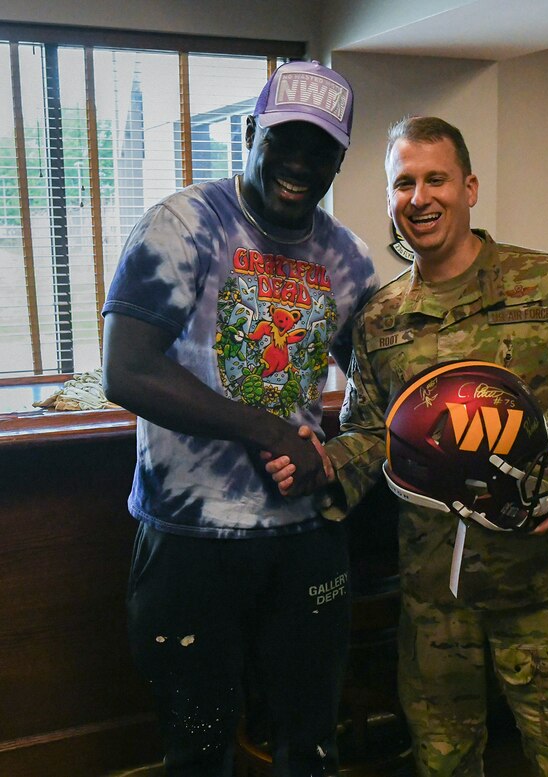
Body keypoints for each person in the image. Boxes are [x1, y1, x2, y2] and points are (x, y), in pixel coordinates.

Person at [268, 115, 548, 776]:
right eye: (403, 183)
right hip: (435, 593)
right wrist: (321, 465)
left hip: (546, 583)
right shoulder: (381, 319)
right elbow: (370, 433)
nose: (419, 198)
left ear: (470, 187)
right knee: (443, 761)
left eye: (435, 179)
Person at [101, 60, 378, 776]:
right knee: (198, 747)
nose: (300, 164)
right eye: (284, 139)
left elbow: (378, 388)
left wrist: (330, 452)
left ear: (338, 160)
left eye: (320, 150)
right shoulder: (183, 223)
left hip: (304, 536)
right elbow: (126, 369)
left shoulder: (349, 260)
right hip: (192, 537)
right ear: (251, 132)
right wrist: (267, 428)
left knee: (310, 745)